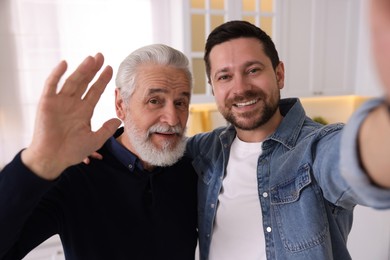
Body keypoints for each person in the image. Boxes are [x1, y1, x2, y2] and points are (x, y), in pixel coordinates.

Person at [185, 4, 390, 260]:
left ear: (279, 74)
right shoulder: (204, 150)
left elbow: (357, 159)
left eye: (253, 70)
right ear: (213, 88)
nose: (240, 88)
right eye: (224, 76)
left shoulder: (314, 148)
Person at [0, 44, 198, 260]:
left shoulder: (193, 169)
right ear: (121, 105)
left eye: (180, 102)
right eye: (154, 101)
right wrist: (38, 160)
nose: (172, 119)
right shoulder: (76, 175)